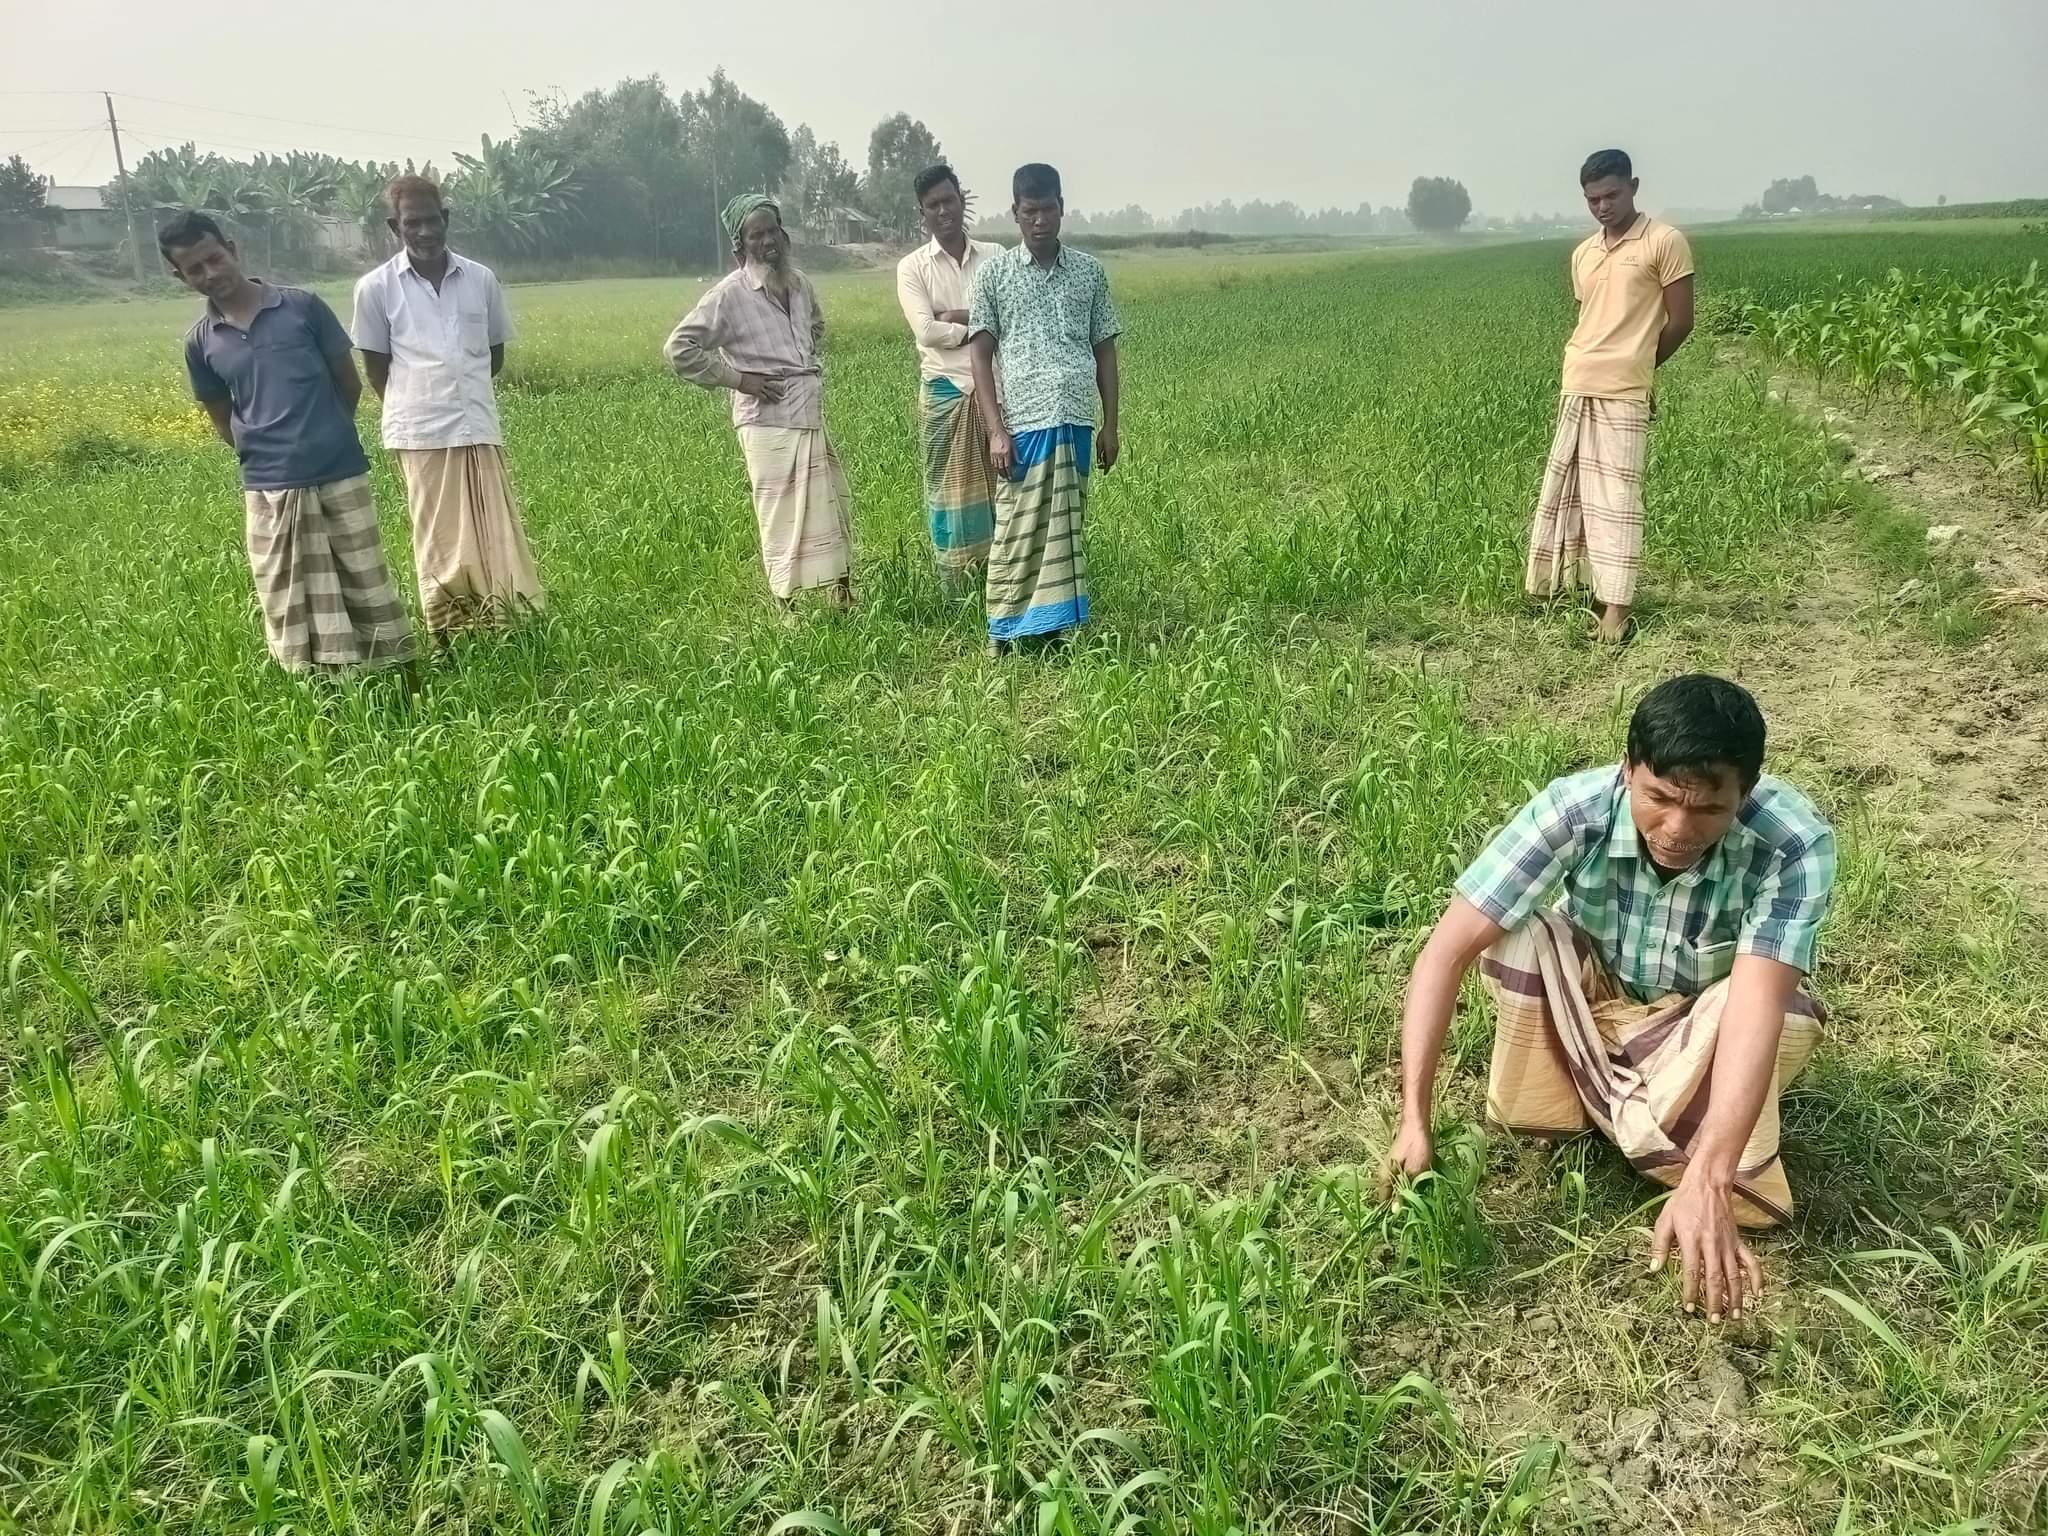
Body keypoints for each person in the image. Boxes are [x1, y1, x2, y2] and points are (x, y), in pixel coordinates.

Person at [1386, 675, 1835, 1324]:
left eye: (1709, 809)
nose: (1678, 828)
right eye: (1658, 798)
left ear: (1748, 793)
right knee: (1517, 943)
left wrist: (1709, 1179)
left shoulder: (1794, 843)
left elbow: (1756, 1003)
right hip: (1594, 999)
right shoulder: (1574, 810)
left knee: (1784, 1015)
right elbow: (1446, 951)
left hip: (1699, 1015)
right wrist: (1415, 1120)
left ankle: (1622, 1113)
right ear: (1628, 771)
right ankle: (1620, 1114)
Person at [163, 210, 415, 680]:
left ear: (233, 249)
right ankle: (317, 684)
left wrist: (323, 434)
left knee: (363, 580)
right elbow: (221, 414)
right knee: (286, 593)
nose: (210, 273)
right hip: (269, 484)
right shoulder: (201, 342)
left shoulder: (301, 307)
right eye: (194, 269)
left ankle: (393, 674)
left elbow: (348, 383)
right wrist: (263, 451)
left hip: (338, 468)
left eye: (214, 258)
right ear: (180, 276)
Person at [351, 174, 542, 641]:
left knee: (493, 530)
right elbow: (377, 367)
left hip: (478, 424)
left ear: (447, 219)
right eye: (411, 223)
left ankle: (506, 622)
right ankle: (452, 634)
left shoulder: (480, 279)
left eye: (432, 220)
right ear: (394, 227)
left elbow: (493, 355)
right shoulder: (375, 289)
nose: (424, 232)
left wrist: (461, 391)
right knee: (440, 539)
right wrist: (423, 400)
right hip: (421, 433)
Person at [1526, 149, 1694, 643]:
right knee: (1570, 491)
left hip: (1625, 390)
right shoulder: (1583, 253)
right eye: (1593, 199)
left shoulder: (1665, 242)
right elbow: (1591, 319)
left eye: (1612, 195)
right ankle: (1574, 585)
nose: (1603, 206)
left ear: (1634, 187)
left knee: (1618, 497)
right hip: (1577, 380)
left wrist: (1641, 370)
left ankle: (1617, 609)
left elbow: (1681, 321)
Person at [664, 193, 854, 610]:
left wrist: (800, 357)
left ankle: (842, 596)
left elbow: (816, 326)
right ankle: (787, 607)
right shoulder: (728, 295)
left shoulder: (800, 284)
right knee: (780, 517)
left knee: (830, 504)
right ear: (740, 249)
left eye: (773, 231)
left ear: (784, 235)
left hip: (808, 411)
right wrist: (740, 379)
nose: (768, 241)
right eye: (757, 235)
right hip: (766, 422)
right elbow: (680, 348)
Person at [966, 163, 1121, 656]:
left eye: (1047, 209)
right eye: (1029, 211)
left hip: (1076, 418)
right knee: (1017, 525)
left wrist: (1110, 425)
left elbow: (1105, 353)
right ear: (1015, 213)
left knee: (1066, 527)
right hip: (1024, 422)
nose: (1039, 221)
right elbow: (980, 356)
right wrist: (995, 430)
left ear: (1061, 209)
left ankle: (1055, 628)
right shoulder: (995, 276)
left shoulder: (1089, 273)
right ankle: (1003, 629)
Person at [895, 164, 1001, 596]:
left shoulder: (996, 257)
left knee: (1004, 487)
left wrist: (954, 319)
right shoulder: (912, 267)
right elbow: (925, 331)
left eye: (949, 200)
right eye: (933, 205)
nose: (944, 211)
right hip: (945, 393)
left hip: (996, 392)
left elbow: (1013, 318)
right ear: (922, 213)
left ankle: (1003, 579)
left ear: (963, 200)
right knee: (947, 491)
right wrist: (980, 328)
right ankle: (955, 587)